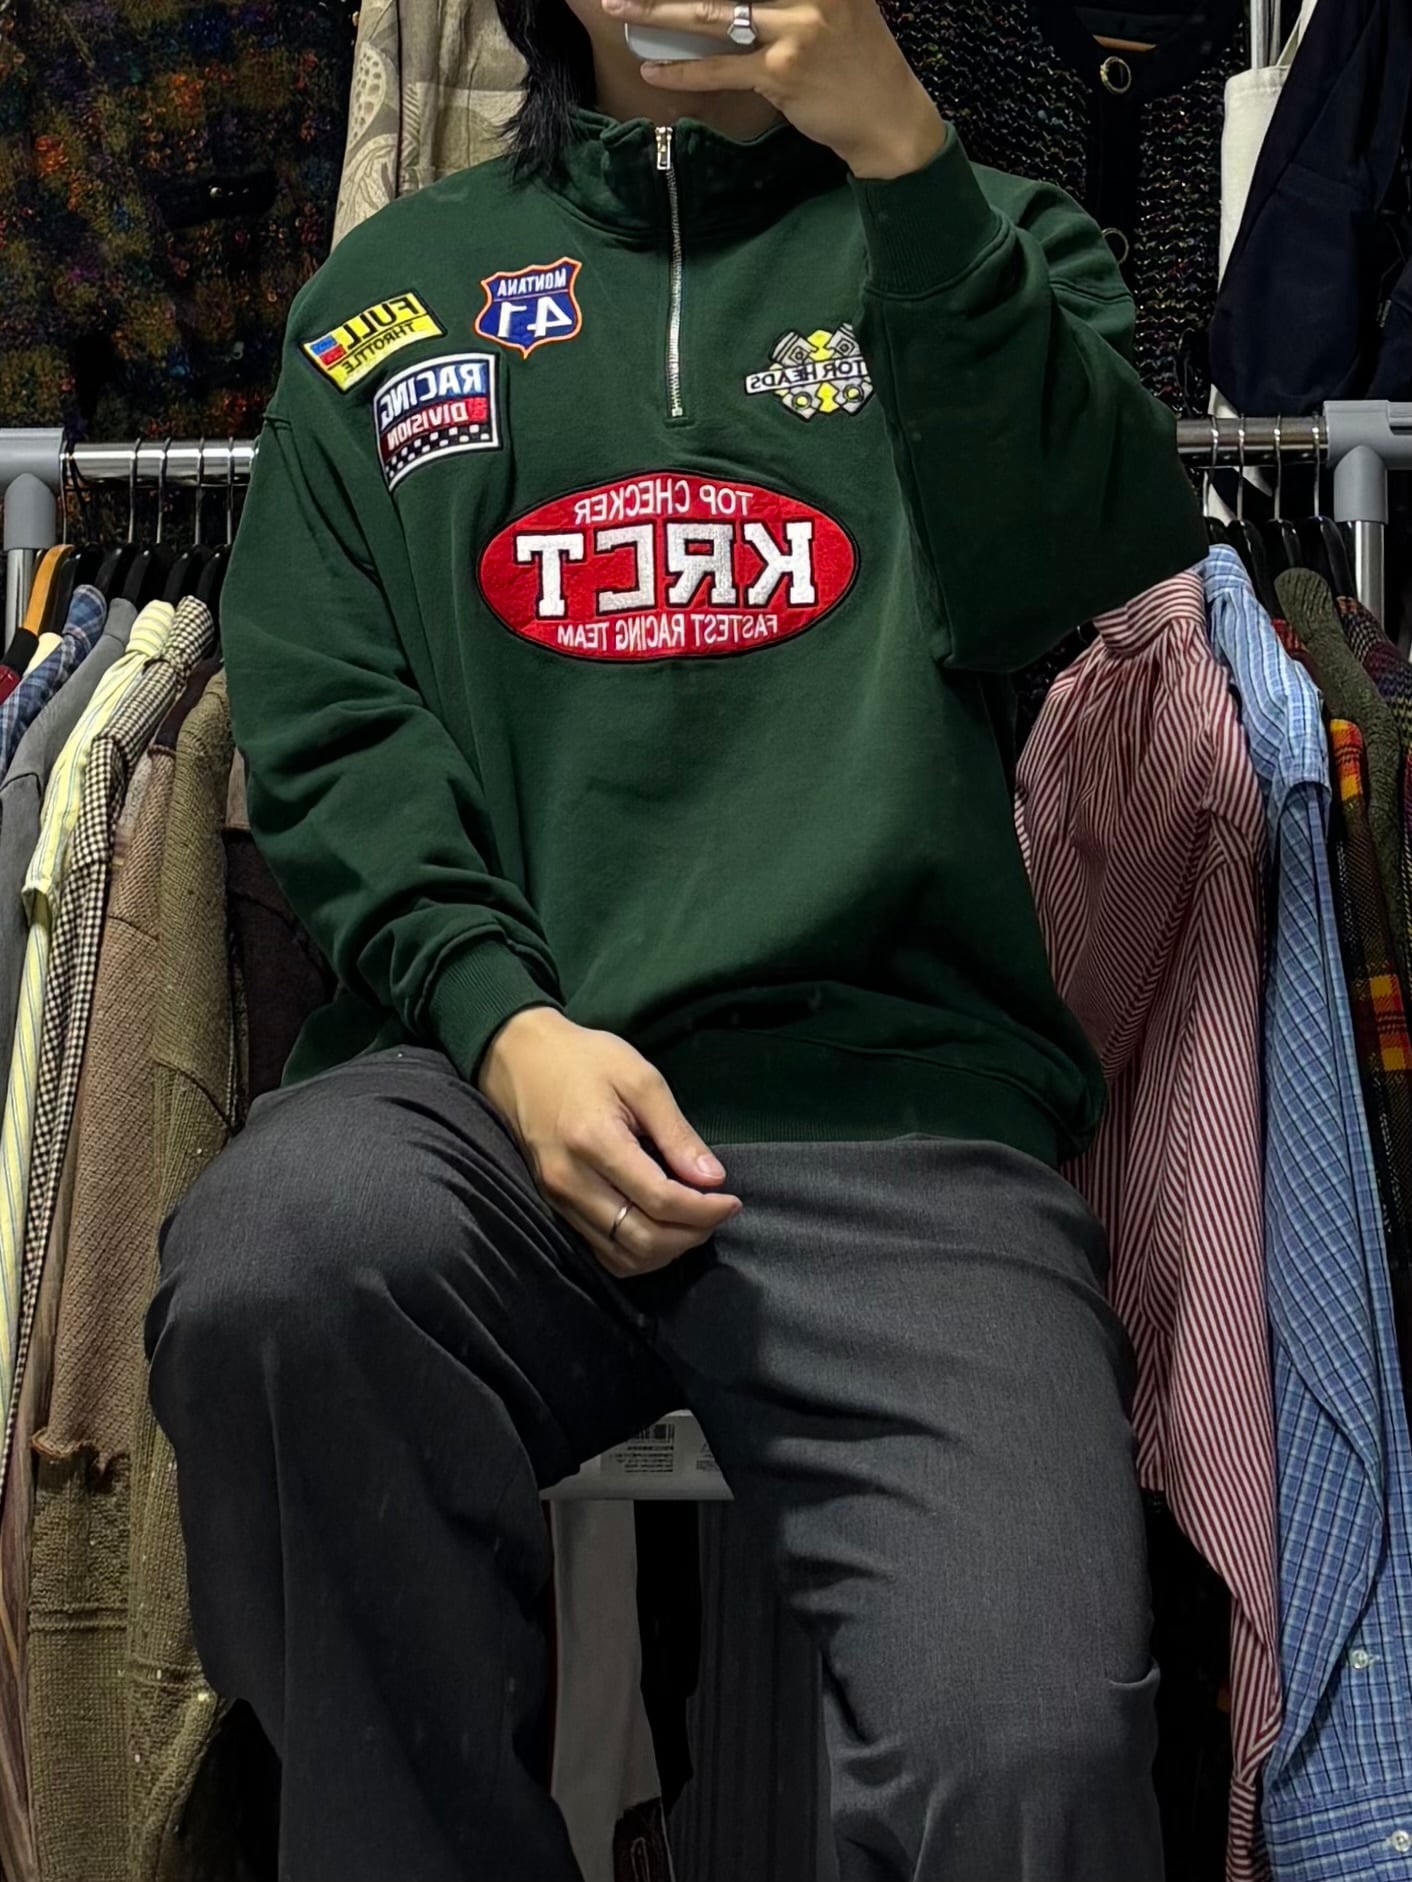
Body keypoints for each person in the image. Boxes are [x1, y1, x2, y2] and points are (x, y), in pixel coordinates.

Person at [145, 0, 1206, 1872]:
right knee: (278, 1257)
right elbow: (328, 726)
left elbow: (1071, 564)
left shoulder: (996, 235)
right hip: (490, 1110)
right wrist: (505, 1022)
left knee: (1031, 1746)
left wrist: (905, 155)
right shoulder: (386, 305)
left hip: (894, 1122)